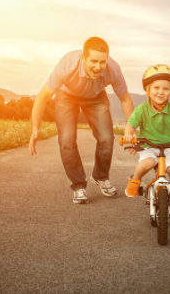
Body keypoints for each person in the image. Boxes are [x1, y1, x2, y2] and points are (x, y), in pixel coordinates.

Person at [29, 37, 134, 204]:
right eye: (93, 61)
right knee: (67, 140)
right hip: (67, 96)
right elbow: (43, 97)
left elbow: (125, 99)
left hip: (96, 96)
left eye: (102, 62)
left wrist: (131, 128)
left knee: (107, 138)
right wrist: (35, 128)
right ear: (83, 58)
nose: (98, 67)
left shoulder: (113, 69)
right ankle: (78, 185)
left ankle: (100, 176)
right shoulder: (68, 65)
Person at [123, 64, 170, 211]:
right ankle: (135, 180)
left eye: (166, 89)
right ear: (147, 90)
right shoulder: (141, 109)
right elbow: (131, 124)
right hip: (147, 145)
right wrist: (128, 135)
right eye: (156, 88)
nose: (161, 92)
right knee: (148, 163)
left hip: (169, 145)